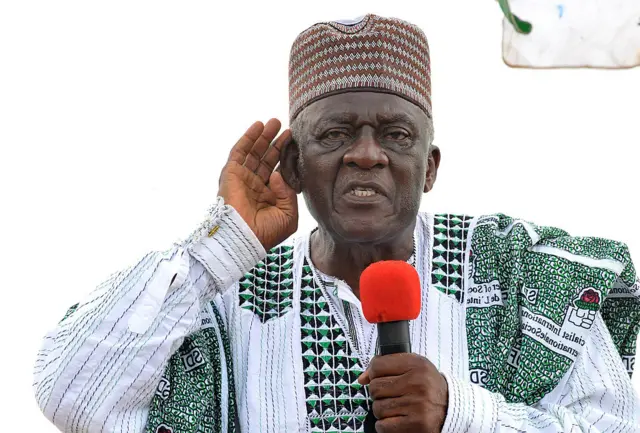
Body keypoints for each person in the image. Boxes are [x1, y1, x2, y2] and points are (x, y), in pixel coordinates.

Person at [33, 13, 640, 433]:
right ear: (294, 164)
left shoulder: (517, 272)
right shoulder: (232, 298)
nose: (367, 154)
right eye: (336, 134)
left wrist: (462, 415)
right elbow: (71, 394)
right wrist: (220, 247)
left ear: (428, 169)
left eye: (396, 135)